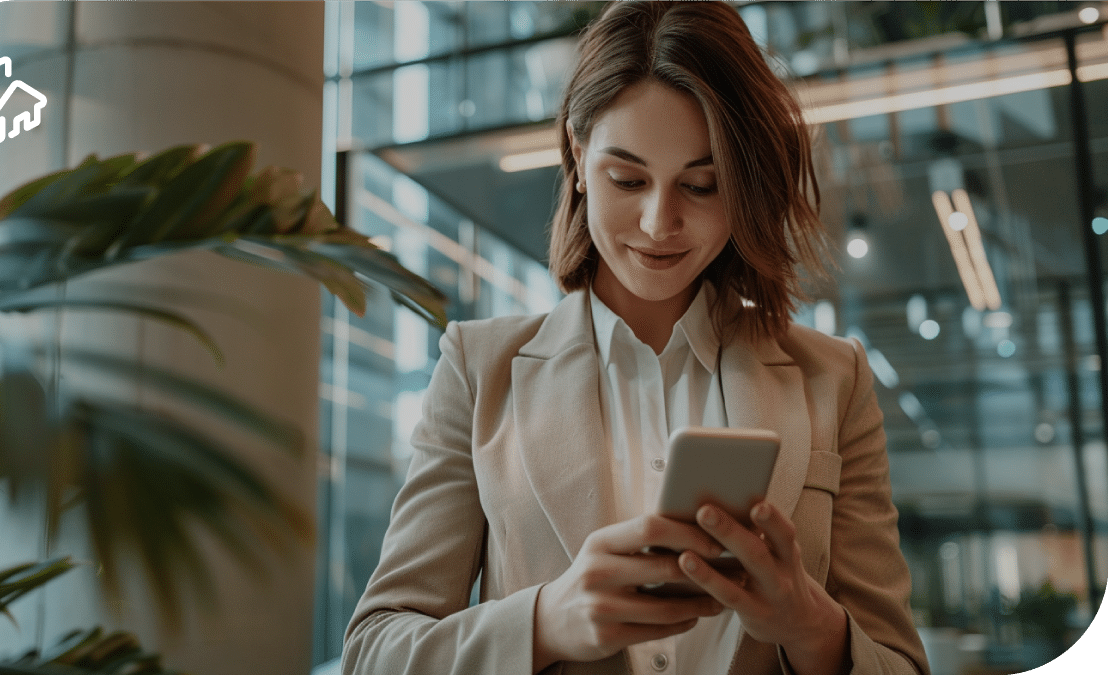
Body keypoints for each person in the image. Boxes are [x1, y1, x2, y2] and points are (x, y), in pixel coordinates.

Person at [342, 2, 930, 674]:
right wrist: (545, 621)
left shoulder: (835, 377)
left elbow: (901, 663)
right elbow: (373, 653)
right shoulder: (480, 370)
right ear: (576, 149)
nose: (659, 221)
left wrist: (809, 623)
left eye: (702, 185)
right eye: (627, 179)